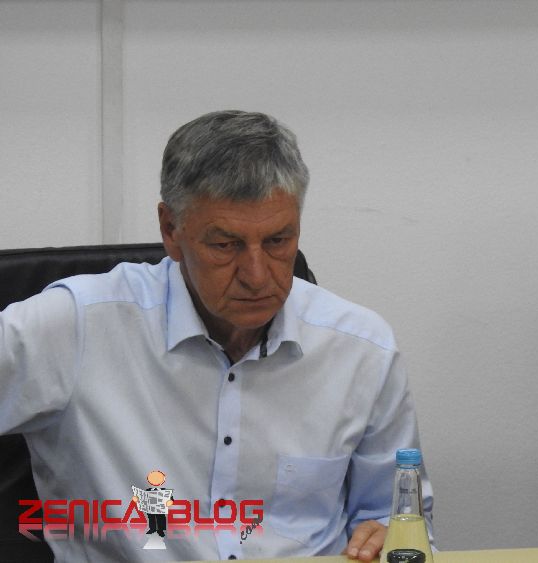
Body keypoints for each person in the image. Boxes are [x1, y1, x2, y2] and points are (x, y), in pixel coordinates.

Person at [0, 110, 431, 561]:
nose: (257, 275)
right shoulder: (77, 326)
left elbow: (394, 516)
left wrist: (388, 534)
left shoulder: (360, 347)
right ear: (171, 230)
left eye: (278, 241)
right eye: (225, 245)